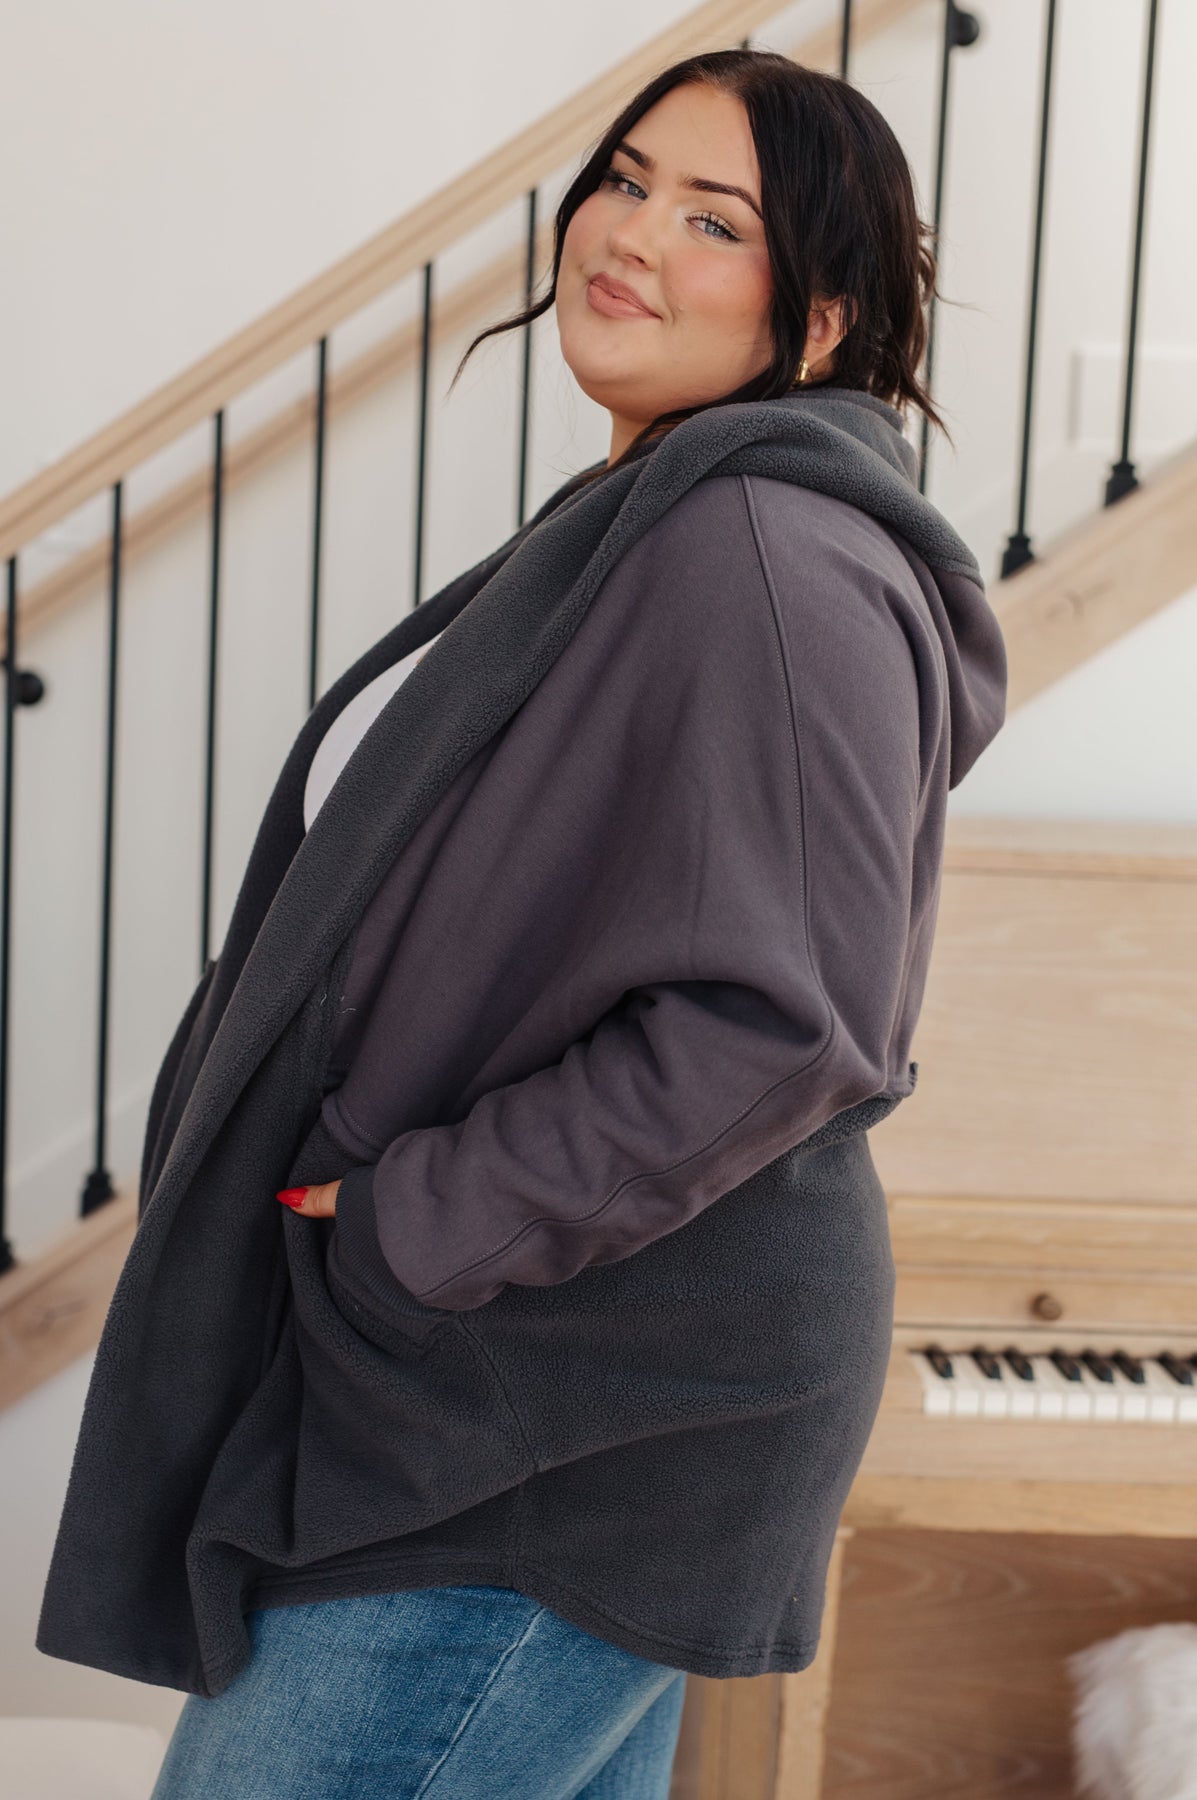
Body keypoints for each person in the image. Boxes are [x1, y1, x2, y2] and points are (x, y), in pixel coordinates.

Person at [39, 49, 1007, 1800]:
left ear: (815, 320)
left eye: (713, 221)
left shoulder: (763, 557)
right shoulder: (654, 528)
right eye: (625, 180)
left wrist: (415, 1223)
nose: (627, 236)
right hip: (523, 1375)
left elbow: (790, 1025)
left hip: (569, 1410)